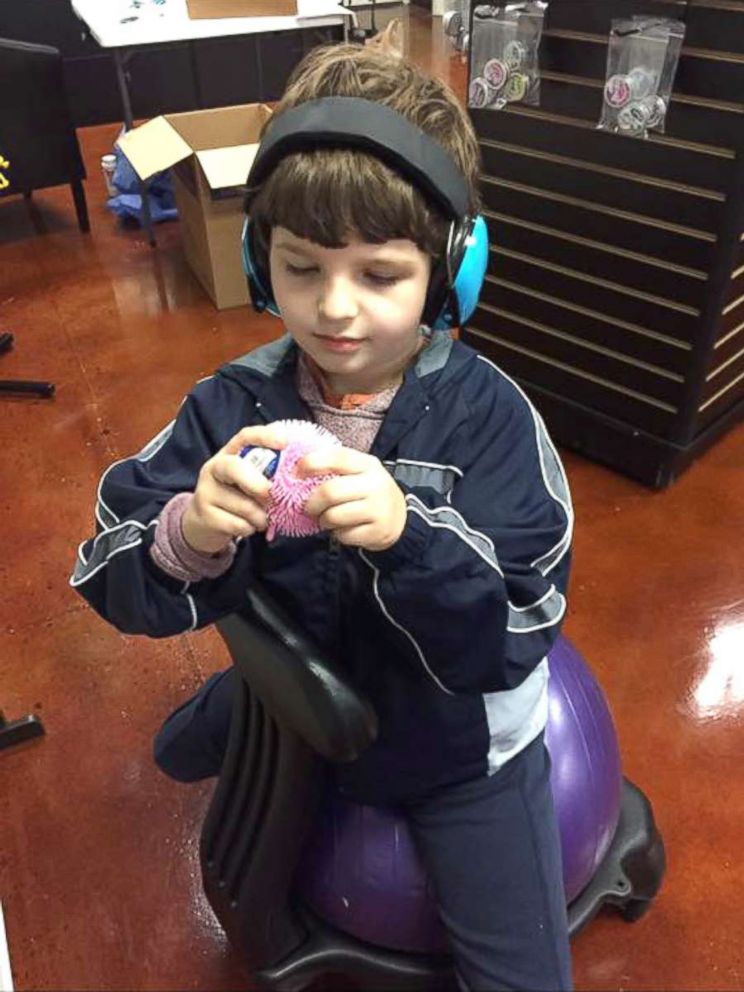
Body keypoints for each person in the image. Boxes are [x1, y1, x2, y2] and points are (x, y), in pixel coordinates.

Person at [71, 41, 574, 992]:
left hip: (455, 742)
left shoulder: (494, 420)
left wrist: (408, 537)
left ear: (452, 270)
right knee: (178, 754)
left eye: (381, 276)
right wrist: (188, 530)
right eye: (301, 266)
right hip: (311, 670)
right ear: (263, 260)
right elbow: (105, 565)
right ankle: (260, 700)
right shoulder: (231, 404)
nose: (335, 311)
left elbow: (518, 628)